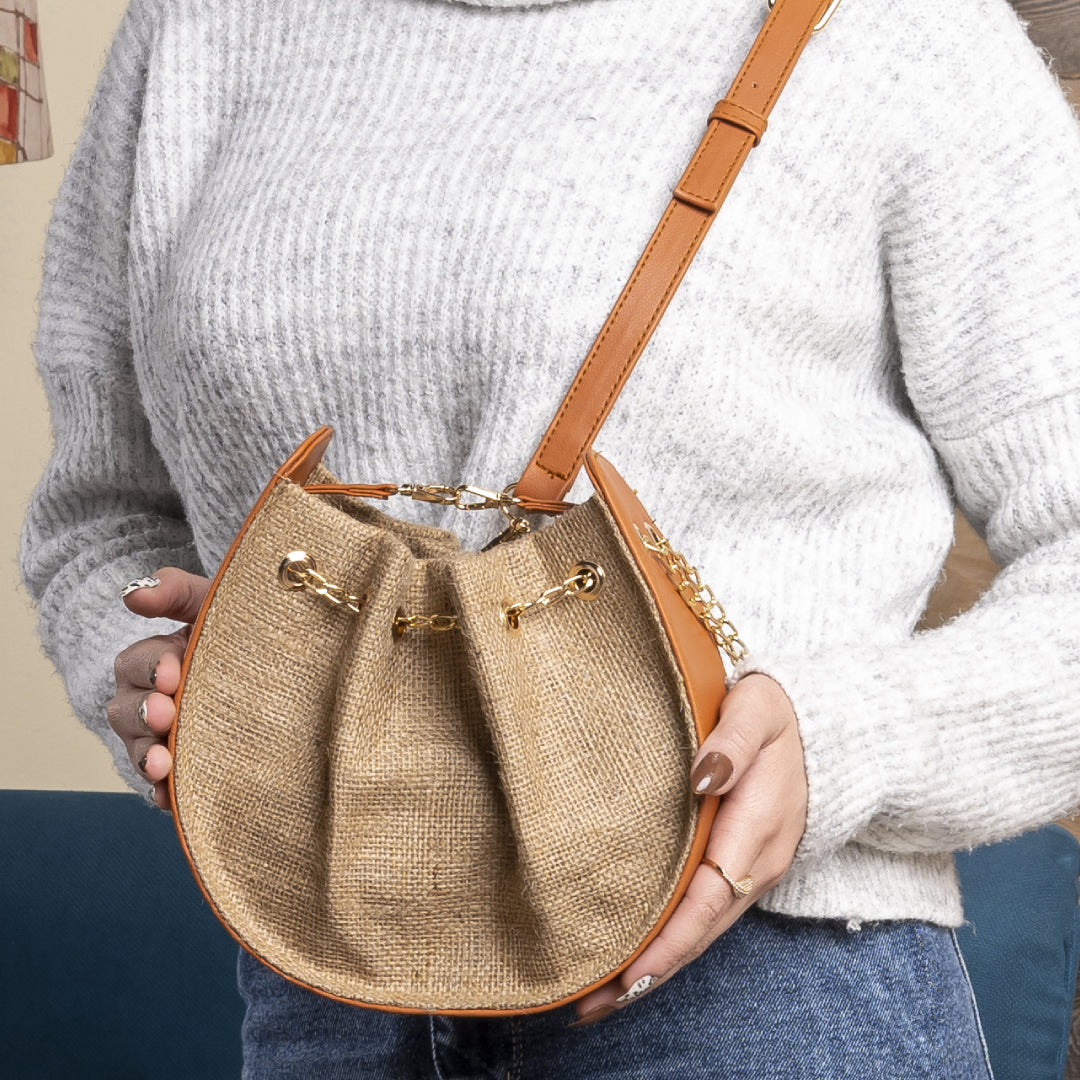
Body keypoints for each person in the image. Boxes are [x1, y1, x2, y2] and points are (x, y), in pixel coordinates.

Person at [19, 0, 1080, 1074]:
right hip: (319, 985)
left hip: (755, 982)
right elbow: (98, 513)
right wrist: (161, 684)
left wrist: (848, 741)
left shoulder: (899, 33)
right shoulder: (199, 28)